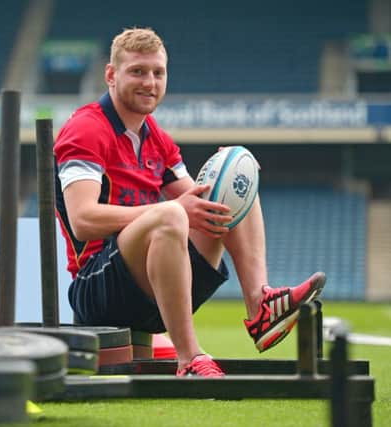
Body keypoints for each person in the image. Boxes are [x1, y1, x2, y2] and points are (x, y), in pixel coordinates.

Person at [53, 27, 326, 377]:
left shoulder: (157, 138)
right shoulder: (87, 128)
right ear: (111, 74)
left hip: (155, 289)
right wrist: (174, 210)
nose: (149, 82)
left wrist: (231, 170)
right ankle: (190, 359)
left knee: (235, 179)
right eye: (137, 71)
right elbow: (83, 219)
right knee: (170, 214)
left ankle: (260, 306)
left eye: (158, 73)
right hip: (98, 292)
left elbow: (198, 201)